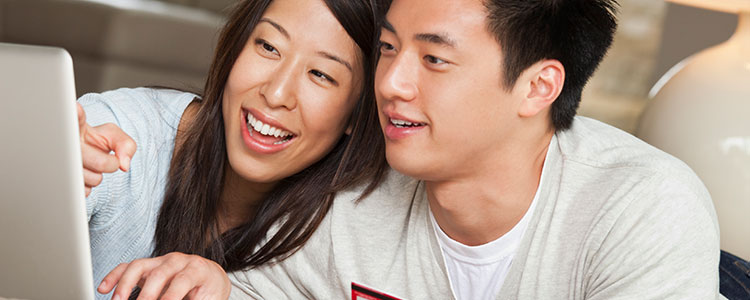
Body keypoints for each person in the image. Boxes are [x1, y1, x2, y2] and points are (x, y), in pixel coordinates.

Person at [229, 0, 723, 298]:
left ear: (537, 88)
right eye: (387, 48)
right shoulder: (354, 188)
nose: (391, 83)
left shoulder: (643, 206)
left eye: (435, 59)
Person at [76, 0, 387, 299]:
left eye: (320, 74)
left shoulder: (345, 235)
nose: (276, 93)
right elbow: (68, 145)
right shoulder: (124, 133)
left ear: (358, 114)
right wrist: (52, 169)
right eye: (268, 47)